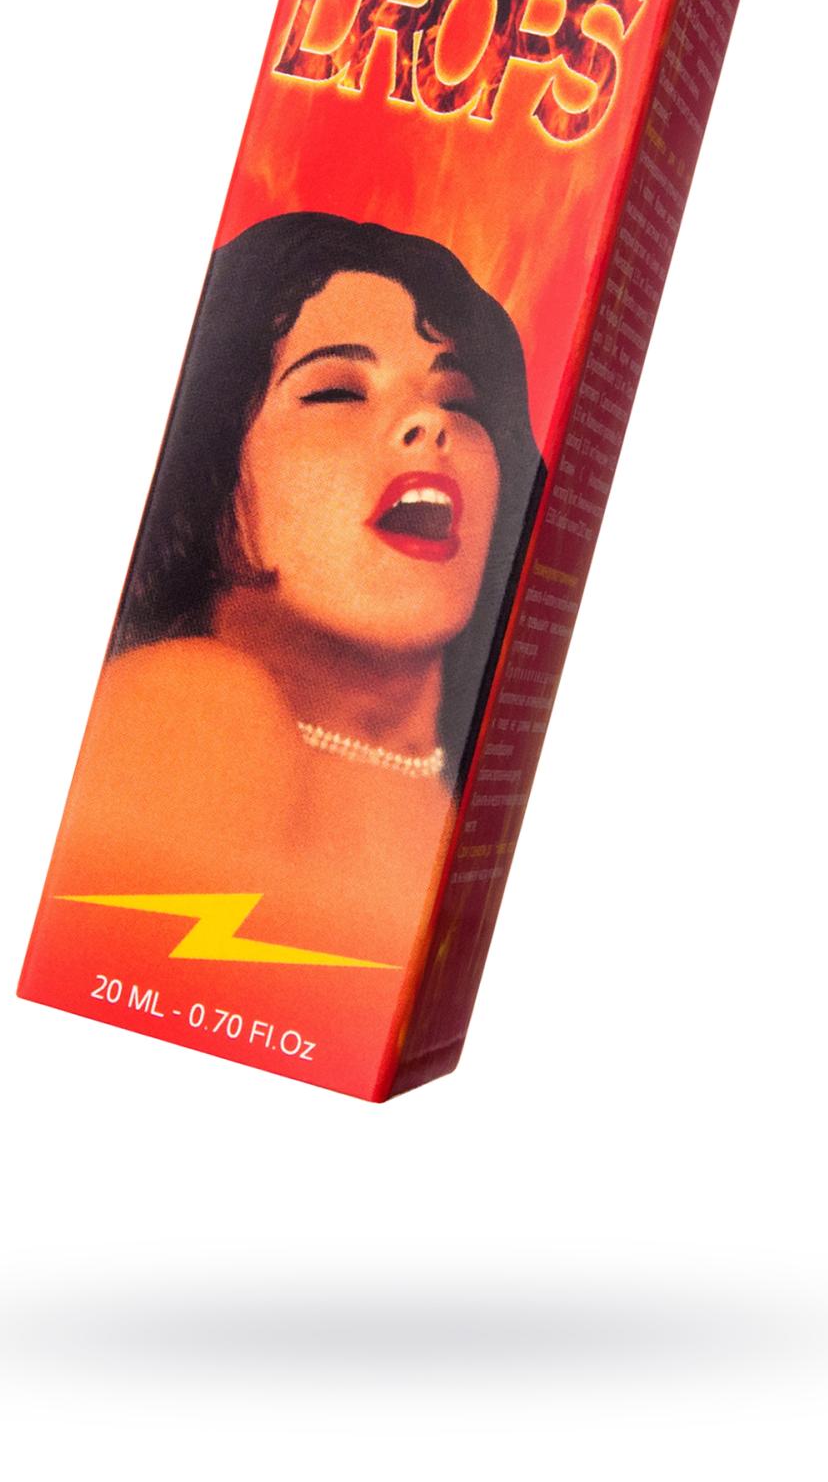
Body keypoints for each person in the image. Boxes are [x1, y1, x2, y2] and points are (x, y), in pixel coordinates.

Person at [46, 211, 544, 972]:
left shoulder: (462, 794)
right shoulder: (197, 705)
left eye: (460, 401)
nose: (429, 421)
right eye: (337, 391)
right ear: (206, 471)